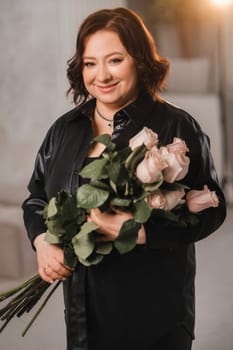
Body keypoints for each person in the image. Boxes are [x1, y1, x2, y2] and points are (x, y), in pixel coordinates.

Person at [22, 7, 226, 350]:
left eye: (114, 60)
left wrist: (142, 230)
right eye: (90, 63)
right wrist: (42, 242)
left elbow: (213, 208)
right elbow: (36, 198)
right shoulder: (63, 130)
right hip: (83, 318)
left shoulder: (176, 127)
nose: (101, 74)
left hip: (155, 317)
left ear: (140, 60)